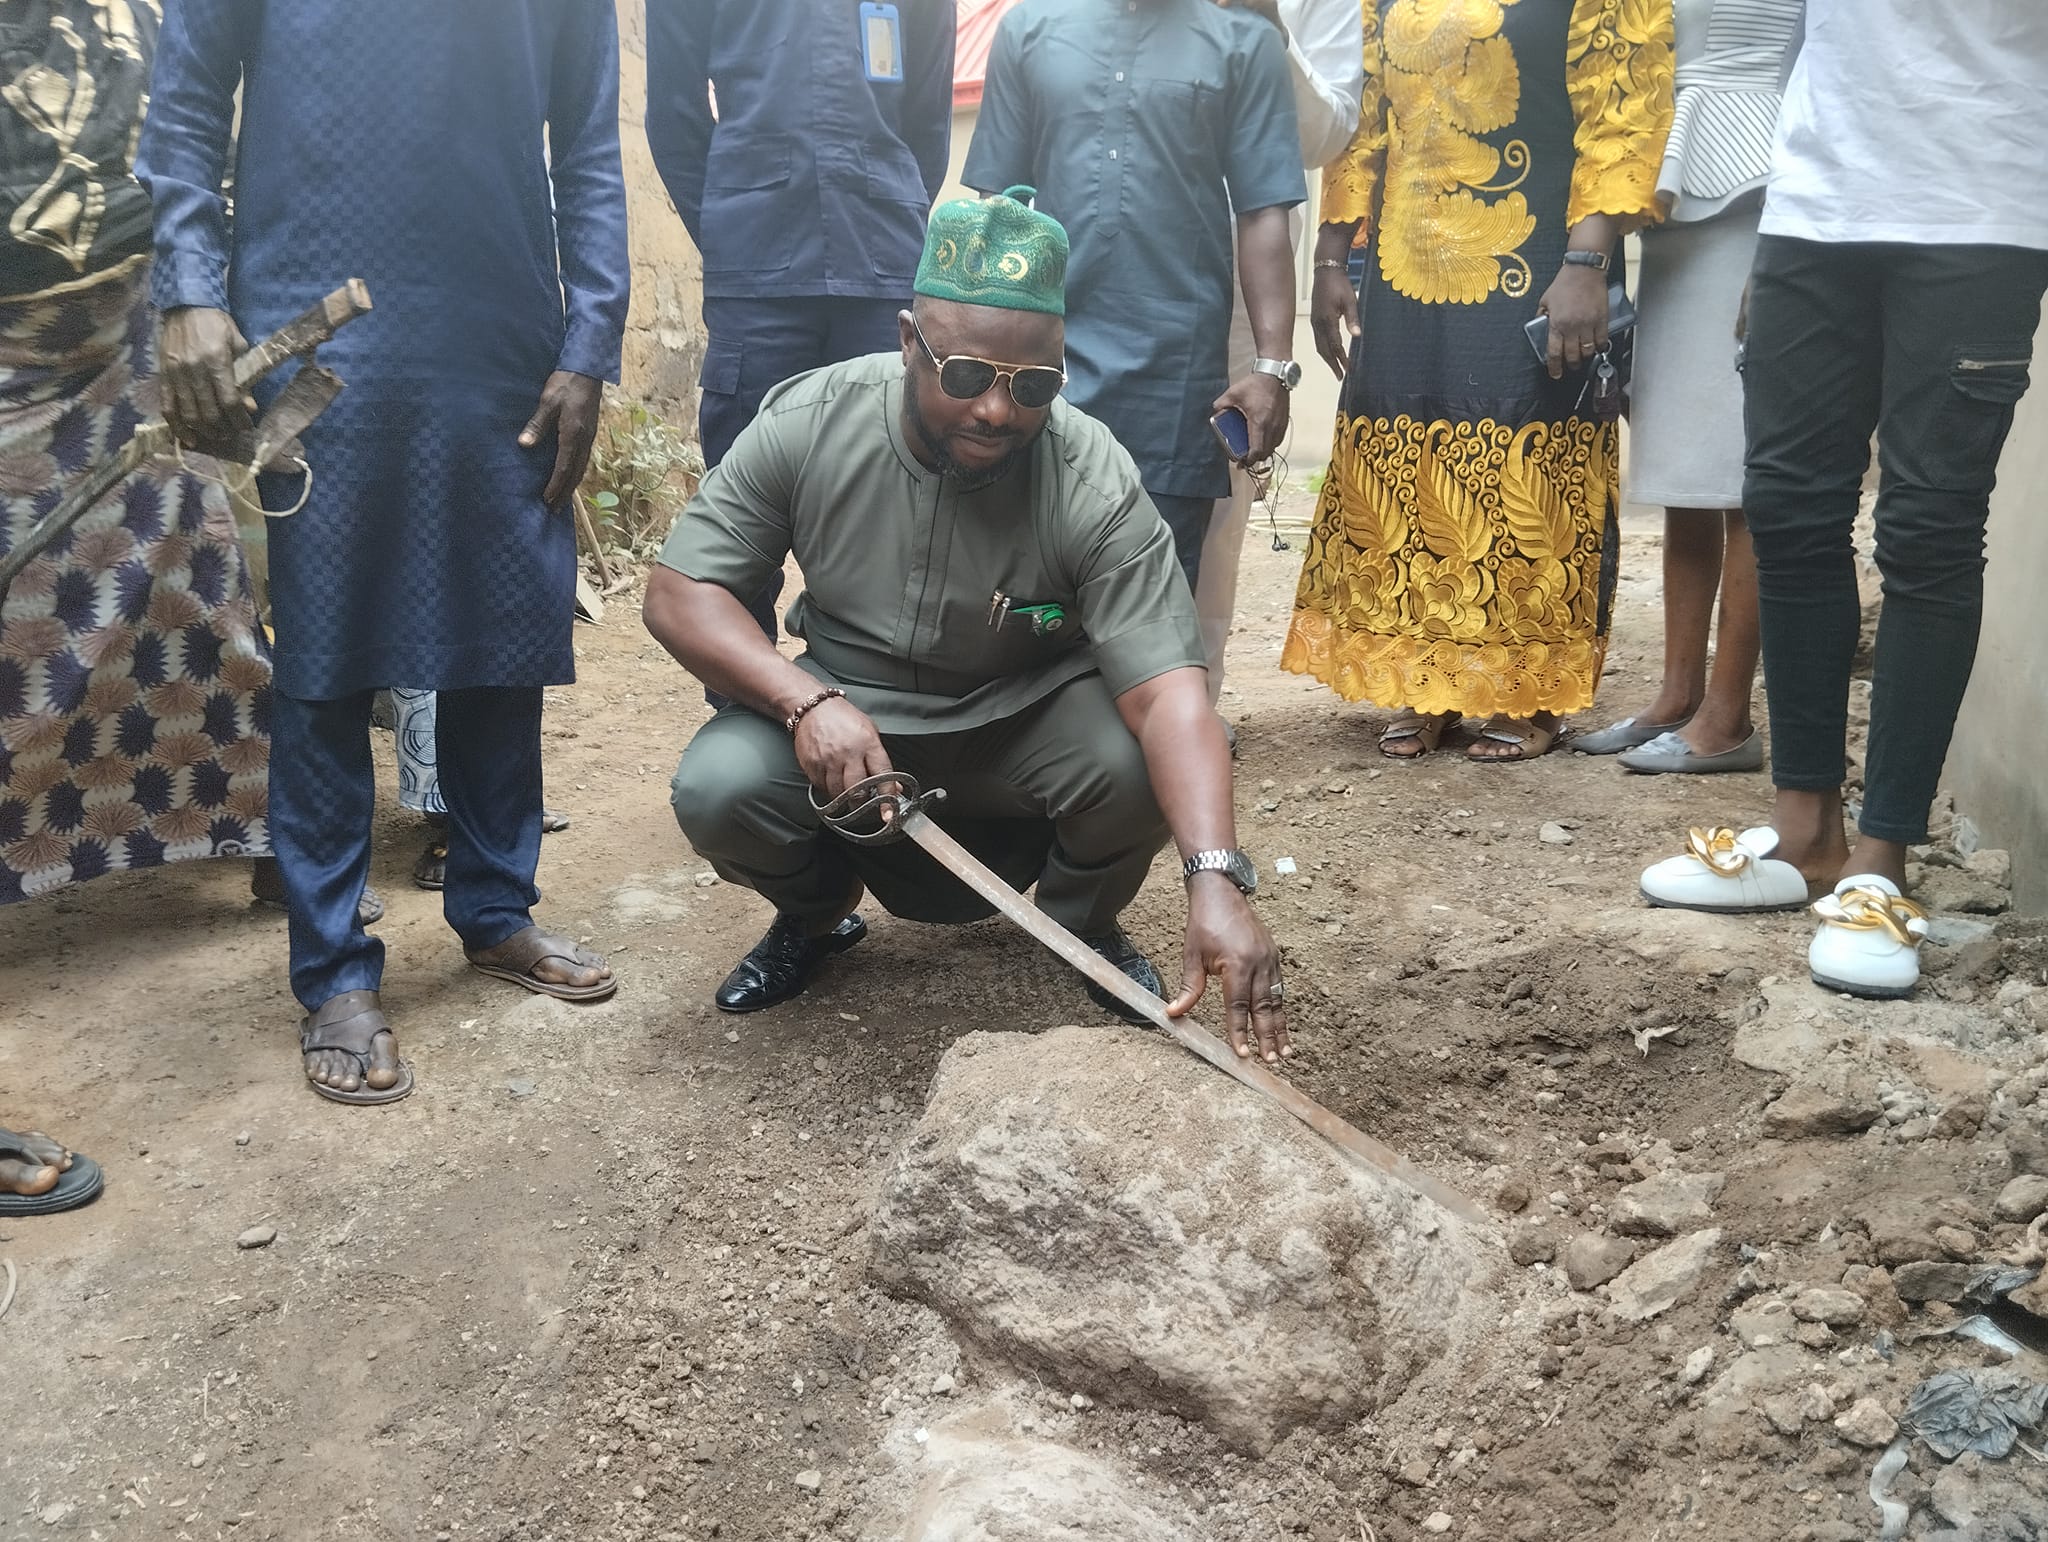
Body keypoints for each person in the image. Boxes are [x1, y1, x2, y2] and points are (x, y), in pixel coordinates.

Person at [645, 190, 1291, 1064]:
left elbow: (1173, 693)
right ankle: (813, 916)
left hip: (1021, 719)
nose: (997, 410)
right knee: (718, 787)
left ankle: (1078, 929)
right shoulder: (811, 421)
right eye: (964, 375)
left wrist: (1215, 877)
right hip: (850, 710)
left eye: (1034, 386)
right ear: (910, 340)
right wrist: (804, 702)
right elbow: (681, 591)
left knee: (1135, 760)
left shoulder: (1089, 472)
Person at [138, 0, 630, 1105]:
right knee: (325, 649)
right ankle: (334, 972)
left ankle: (497, 908)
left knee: (500, 624)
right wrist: (188, 286)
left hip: (502, 326)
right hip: (315, 321)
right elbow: (181, 110)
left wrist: (592, 335)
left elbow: (590, 143)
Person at [1639, 0, 2048, 999]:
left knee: (1927, 530)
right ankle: (1802, 830)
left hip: (1977, 208)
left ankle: (1880, 861)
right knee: (1784, 509)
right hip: (1814, 207)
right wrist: (1777, 228)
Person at [1286, 0, 1675, 763]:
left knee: (1526, 455)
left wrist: (1588, 261)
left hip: (1539, 261)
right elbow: (1365, 120)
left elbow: (1623, 109)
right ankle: (1422, 676)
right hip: (1401, 265)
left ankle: (1525, 688)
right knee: (1405, 456)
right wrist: (1331, 257)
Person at [0, 0, 273, 910]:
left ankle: (274, 832)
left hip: (138, 356)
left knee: (199, 598)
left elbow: (198, 152)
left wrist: (209, 296)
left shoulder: (140, 17)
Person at [961, 0, 1307, 591]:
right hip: (1044, 367)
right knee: (1022, 600)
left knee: (1154, 605)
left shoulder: (1244, 44)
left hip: (1175, 381)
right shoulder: (1029, 28)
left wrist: (1272, 367)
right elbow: (999, 207)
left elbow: (1263, 213)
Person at [646, 0, 955, 649]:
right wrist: (734, 230)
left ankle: (874, 711)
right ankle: (744, 720)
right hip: (757, 275)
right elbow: (672, 114)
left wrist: (886, 223)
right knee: (740, 527)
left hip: (880, 273)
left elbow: (927, 120)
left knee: (888, 518)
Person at [1574, 0, 1801, 775]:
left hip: (1763, 192)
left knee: (1742, 474)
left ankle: (1729, 717)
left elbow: (1820, 71)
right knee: (1686, 469)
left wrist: (1788, 247)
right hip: (1674, 188)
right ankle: (1677, 694)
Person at [1198, 0, 1366, 709]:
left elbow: (1326, 134)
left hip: (1243, 270)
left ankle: (1193, 697)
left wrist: (1268, 24)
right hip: (1109, 256)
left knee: (1216, 489)